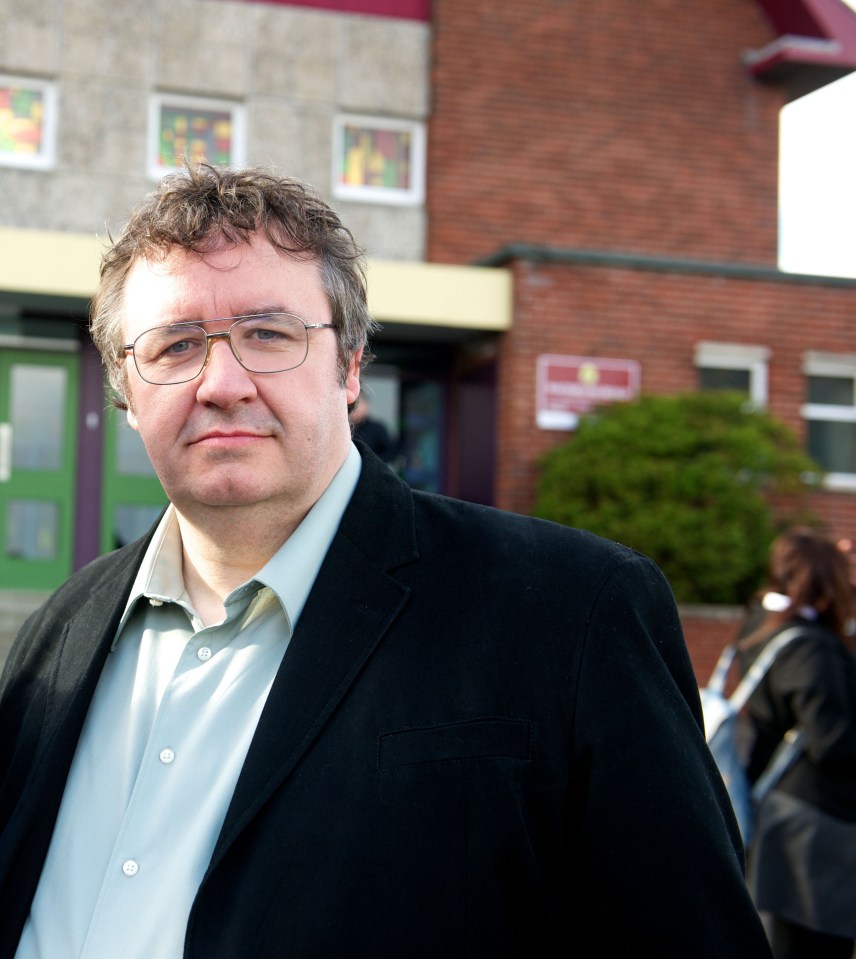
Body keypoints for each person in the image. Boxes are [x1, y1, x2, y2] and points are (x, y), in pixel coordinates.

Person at [0, 163, 773, 959]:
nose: (222, 382)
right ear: (126, 387)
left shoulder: (569, 614)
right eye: (175, 344)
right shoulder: (59, 633)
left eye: (269, 333)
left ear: (351, 366)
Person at [737, 526, 856, 959]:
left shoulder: (763, 626)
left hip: (780, 814)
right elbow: (835, 743)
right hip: (814, 828)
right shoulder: (812, 650)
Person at [349, 396, 399, 463]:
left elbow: (390, 452)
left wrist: (374, 463)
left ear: (366, 406)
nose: (355, 410)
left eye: (358, 405)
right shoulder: (345, 429)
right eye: (351, 406)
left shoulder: (377, 428)